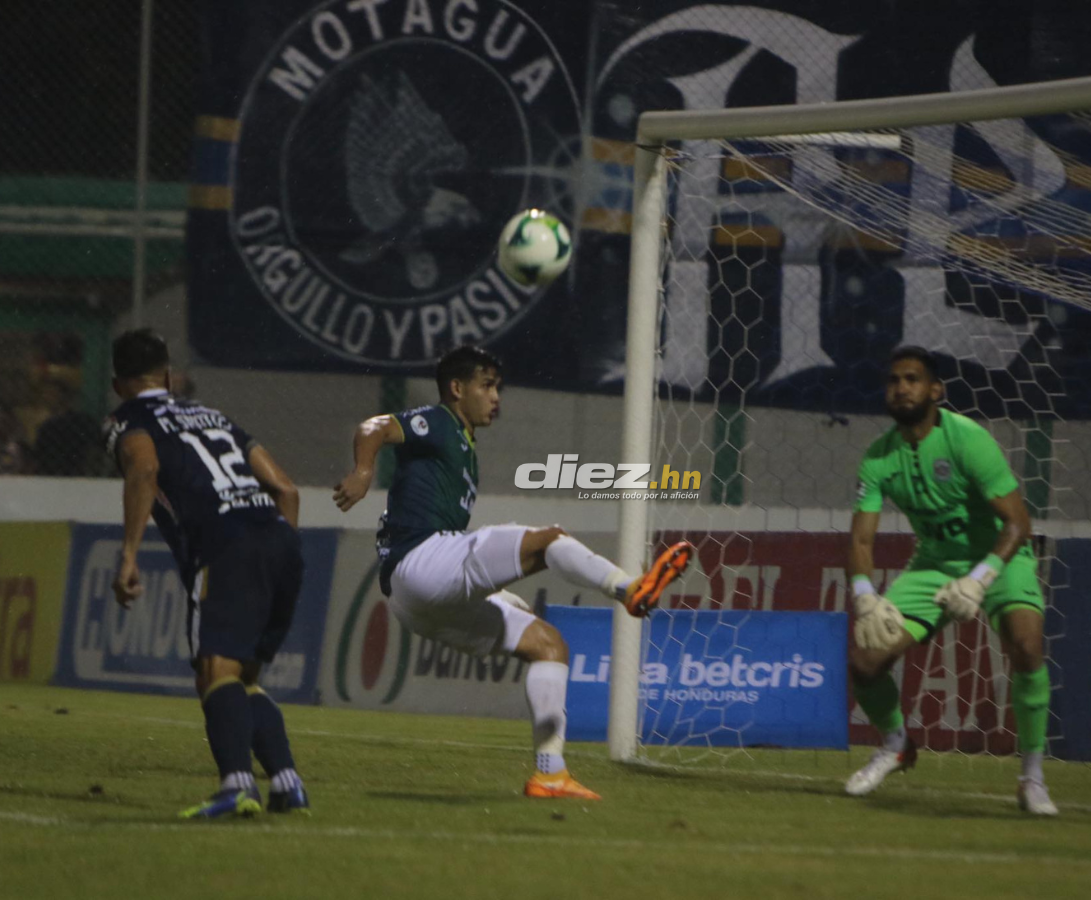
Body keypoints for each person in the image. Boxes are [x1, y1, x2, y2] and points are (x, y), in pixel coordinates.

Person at [333, 345, 692, 800]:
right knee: (549, 540)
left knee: (548, 645)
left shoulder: (464, 446)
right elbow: (375, 427)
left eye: (497, 387)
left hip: (413, 603)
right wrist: (364, 471)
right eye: (486, 386)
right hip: (421, 559)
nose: (495, 396)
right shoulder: (440, 421)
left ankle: (550, 773)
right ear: (457, 389)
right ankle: (629, 588)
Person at [104, 328, 309, 819]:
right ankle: (287, 784)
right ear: (167, 376)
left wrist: (129, 554)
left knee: (215, 669)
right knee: (242, 676)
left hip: (225, 544)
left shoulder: (128, 419)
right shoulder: (212, 415)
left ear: (117, 385)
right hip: (279, 539)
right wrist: (275, 547)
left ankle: (237, 785)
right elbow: (286, 489)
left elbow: (143, 470)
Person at [846, 345, 1056, 815]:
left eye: (912, 379)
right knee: (865, 661)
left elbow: (1018, 523)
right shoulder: (878, 458)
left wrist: (979, 581)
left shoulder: (968, 440)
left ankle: (1032, 777)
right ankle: (896, 745)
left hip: (1000, 558)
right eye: (894, 380)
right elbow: (861, 539)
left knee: (1026, 646)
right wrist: (864, 596)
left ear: (935, 390)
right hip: (934, 566)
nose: (901, 388)